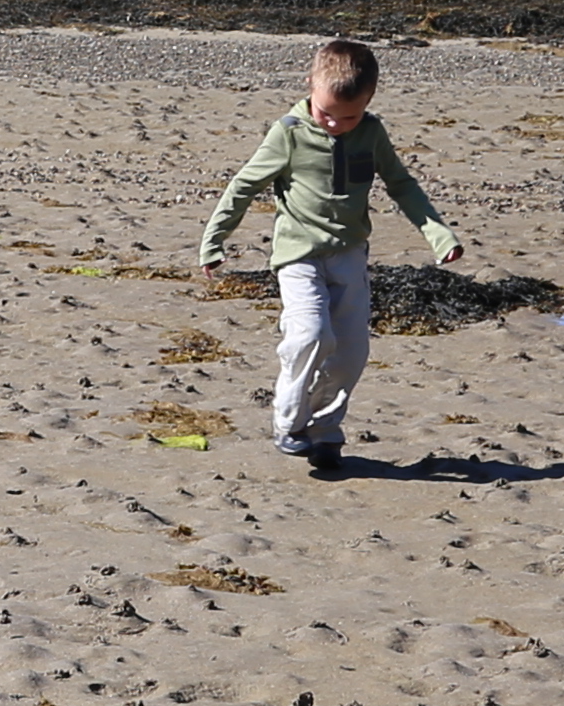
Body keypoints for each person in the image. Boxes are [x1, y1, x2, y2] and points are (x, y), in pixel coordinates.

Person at [194, 36, 461, 477]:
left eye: (348, 116)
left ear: (370, 100)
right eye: (326, 114)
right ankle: (289, 422)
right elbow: (243, 186)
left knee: (352, 350)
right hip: (298, 257)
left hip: (350, 255)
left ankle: (326, 432)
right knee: (311, 334)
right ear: (309, 87)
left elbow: (401, 184)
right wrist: (214, 241)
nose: (336, 125)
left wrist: (438, 235)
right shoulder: (289, 134)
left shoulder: (371, 132)